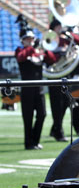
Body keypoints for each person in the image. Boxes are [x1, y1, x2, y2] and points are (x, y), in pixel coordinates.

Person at [15, 16, 56, 150]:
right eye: (27, 39)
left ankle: (35, 140)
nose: (30, 41)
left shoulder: (38, 53)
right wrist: (33, 48)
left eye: (31, 39)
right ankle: (28, 143)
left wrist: (45, 48)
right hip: (26, 89)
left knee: (42, 114)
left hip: (39, 90)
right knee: (28, 118)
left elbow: (51, 60)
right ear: (23, 41)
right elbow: (21, 58)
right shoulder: (20, 51)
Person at [48, 18, 79, 142]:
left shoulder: (65, 38)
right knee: (56, 105)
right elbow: (48, 58)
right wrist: (59, 56)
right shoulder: (49, 39)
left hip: (65, 75)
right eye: (58, 27)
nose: (60, 29)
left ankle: (55, 128)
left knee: (65, 103)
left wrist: (70, 34)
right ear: (53, 28)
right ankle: (58, 132)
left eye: (60, 26)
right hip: (54, 76)